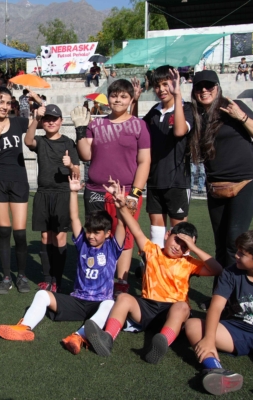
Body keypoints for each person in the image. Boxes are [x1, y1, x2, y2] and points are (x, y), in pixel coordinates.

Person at [84, 182, 223, 363]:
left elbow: (217, 269)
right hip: (147, 308)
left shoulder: (189, 263)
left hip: (172, 313)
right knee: (124, 298)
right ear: (167, 235)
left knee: (182, 307)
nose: (178, 247)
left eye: (184, 246)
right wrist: (122, 206)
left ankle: (161, 342)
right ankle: (107, 338)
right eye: (177, 240)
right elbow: (135, 229)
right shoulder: (152, 251)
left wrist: (194, 248)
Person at [0, 172, 125, 354]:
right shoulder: (83, 243)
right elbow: (74, 218)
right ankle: (24, 327)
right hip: (78, 300)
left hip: (100, 302)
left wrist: (120, 206)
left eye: (97, 233)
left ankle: (78, 337)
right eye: (89, 231)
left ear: (107, 234)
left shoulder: (112, 247)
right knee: (42, 294)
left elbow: (121, 226)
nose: (91, 236)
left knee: (110, 304)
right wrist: (73, 192)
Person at [75, 79, 151, 294]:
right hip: (95, 190)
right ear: (108, 98)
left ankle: (121, 282)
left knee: (124, 237)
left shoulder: (139, 125)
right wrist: (80, 130)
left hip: (125, 191)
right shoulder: (96, 124)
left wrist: (135, 193)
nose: (118, 100)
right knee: (96, 234)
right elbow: (86, 155)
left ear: (131, 99)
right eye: (114, 95)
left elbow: (145, 161)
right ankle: (97, 278)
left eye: (123, 96)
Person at [189, 70, 253, 273]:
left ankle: (234, 288)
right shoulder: (195, 115)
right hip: (216, 186)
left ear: (217, 87)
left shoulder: (233, 106)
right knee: (220, 243)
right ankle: (222, 287)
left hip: (244, 181)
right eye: (199, 87)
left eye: (209, 86)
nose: (204, 90)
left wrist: (241, 117)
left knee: (234, 240)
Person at [184, 229, 253, 396]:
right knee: (193, 325)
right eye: (237, 251)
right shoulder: (231, 272)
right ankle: (216, 369)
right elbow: (216, 307)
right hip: (236, 330)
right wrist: (209, 339)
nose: (236, 255)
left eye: (242, 254)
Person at [0, 87, 41, 294]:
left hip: (18, 182)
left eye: (8, 103)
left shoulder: (18, 122)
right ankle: (6, 277)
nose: (4, 106)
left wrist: (37, 100)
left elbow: (43, 117)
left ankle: (21, 275)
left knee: (20, 233)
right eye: (1, 102)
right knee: (4, 232)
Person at [132, 66, 194, 248]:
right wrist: (135, 101)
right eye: (157, 86)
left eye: (166, 84)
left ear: (175, 84)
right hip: (154, 179)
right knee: (156, 231)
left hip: (177, 181)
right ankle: (156, 265)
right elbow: (136, 129)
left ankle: (179, 267)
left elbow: (179, 131)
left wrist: (178, 95)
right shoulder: (155, 111)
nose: (161, 89)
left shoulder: (186, 108)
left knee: (179, 233)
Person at [24, 104, 80, 292]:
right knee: (45, 236)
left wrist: (70, 165)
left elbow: (77, 173)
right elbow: (28, 140)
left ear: (61, 121)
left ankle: (57, 279)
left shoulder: (68, 143)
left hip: (63, 194)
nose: (50, 122)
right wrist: (35, 118)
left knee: (60, 236)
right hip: (43, 193)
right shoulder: (40, 141)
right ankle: (47, 277)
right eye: (47, 119)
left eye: (54, 119)